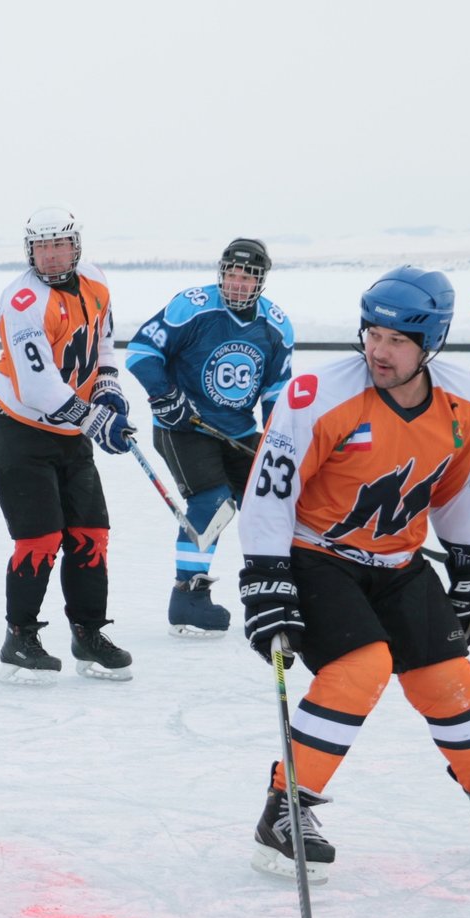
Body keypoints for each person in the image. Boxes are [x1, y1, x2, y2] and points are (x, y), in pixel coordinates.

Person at [237, 267, 470, 882]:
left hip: (400, 561)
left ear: (430, 342)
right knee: (362, 667)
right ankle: (285, 810)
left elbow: (458, 491)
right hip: (317, 555)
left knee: (447, 675)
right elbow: (269, 498)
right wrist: (266, 580)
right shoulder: (315, 396)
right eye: (372, 334)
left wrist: (469, 561)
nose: (378, 351)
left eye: (396, 340)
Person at [0, 206, 135, 683]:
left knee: (91, 534)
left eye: (60, 246)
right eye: (41, 247)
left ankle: (89, 633)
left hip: (71, 435)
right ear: (30, 250)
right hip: (20, 432)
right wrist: (96, 421)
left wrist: (108, 387)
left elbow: (102, 344)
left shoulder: (95, 281)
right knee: (40, 538)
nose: (51, 256)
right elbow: (38, 386)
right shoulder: (23, 300)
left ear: (76, 246)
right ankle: (20, 637)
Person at [125, 238, 295, 637]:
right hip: (184, 427)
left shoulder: (276, 324)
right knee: (213, 504)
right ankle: (188, 597)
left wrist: (275, 438)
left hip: (239, 430)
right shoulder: (193, 305)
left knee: (273, 501)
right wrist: (165, 396)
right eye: (231, 274)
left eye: (247, 277)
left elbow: (276, 391)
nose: (237, 283)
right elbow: (141, 352)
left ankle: (281, 587)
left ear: (260, 281)